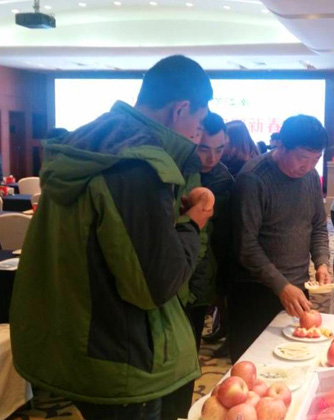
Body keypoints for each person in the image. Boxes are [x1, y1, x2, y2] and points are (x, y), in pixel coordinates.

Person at [10, 55, 214, 420]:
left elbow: (106, 243)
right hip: (121, 354)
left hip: (79, 337)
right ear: (180, 109)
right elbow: (154, 285)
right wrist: (193, 223)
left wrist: (168, 217)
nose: (196, 135)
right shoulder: (137, 166)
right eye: (198, 124)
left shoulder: (91, 144)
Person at [229, 114, 331, 362]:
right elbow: (246, 245)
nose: (308, 166)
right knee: (253, 364)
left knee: (295, 361)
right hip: (256, 292)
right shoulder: (253, 178)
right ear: (281, 145)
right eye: (302, 158)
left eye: (316, 159)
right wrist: (281, 286)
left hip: (297, 289)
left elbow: (318, 225)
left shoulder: (310, 177)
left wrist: (321, 262)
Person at [188, 112, 234, 354]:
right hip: (174, 265)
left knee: (191, 338)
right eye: (204, 149)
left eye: (219, 150)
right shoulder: (179, 172)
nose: (212, 158)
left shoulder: (224, 180)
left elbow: (224, 238)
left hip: (205, 270)